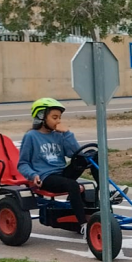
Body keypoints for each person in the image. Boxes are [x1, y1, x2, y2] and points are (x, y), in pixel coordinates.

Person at [18, 98, 93, 234]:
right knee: (73, 186)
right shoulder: (31, 136)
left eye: (60, 117)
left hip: (62, 173)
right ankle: (83, 224)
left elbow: (76, 154)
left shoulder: (59, 135)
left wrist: (67, 133)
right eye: (54, 117)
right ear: (41, 116)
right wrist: (33, 175)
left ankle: (104, 192)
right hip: (46, 177)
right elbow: (23, 164)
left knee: (90, 155)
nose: (58, 121)